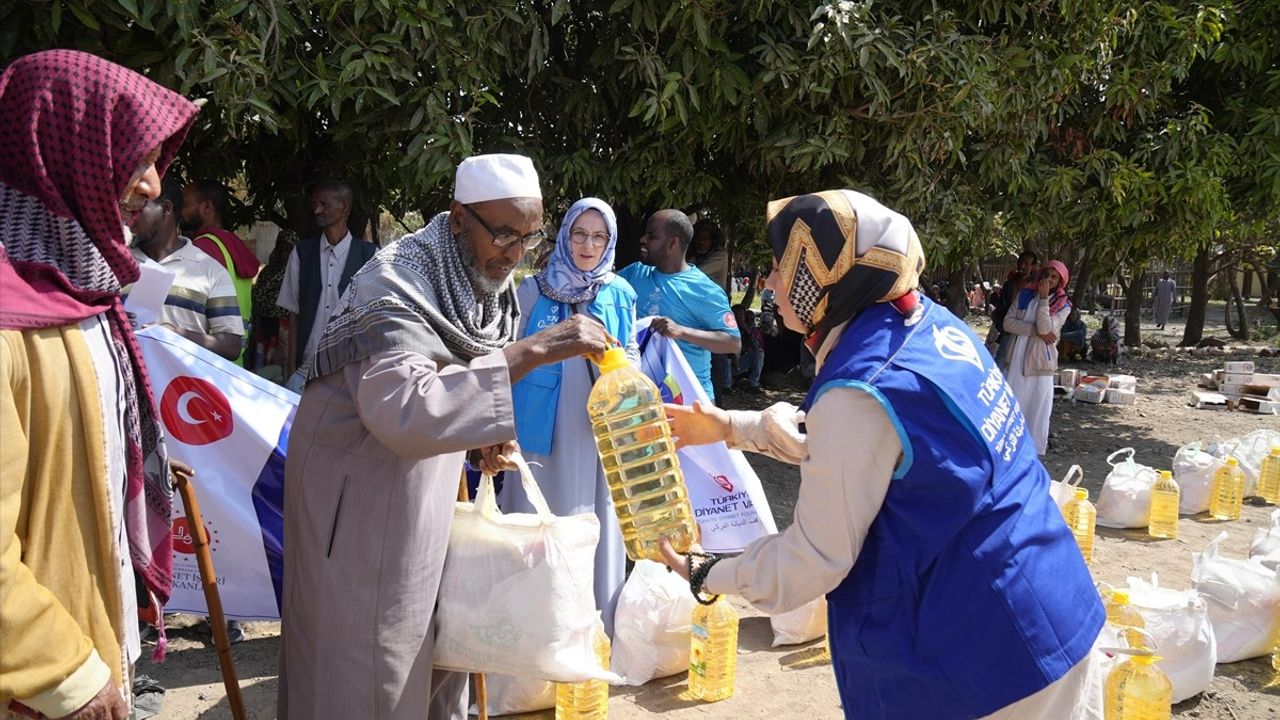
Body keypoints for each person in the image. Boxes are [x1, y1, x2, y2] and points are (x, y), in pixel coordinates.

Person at [658, 189, 1104, 720]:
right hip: (1054, 608)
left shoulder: (859, 386)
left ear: (827, 275)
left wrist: (709, 572)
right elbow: (867, 453)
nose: (772, 284)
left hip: (987, 661)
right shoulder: (930, 326)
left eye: (784, 268)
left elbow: (813, 560)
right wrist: (729, 427)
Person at [278, 154, 613, 720]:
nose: (513, 255)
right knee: (367, 661)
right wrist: (535, 349)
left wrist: (483, 438)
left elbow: (458, 382)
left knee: (435, 645)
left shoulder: (484, 287)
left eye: (527, 240)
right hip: (354, 494)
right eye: (503, 235)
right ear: (458, 218)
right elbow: (405, 408)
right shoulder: (396, 283)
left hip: (424, 486)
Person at [0, 49, 192, 720]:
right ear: (64, 152)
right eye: (131, 159)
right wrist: (63, 673)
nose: (149, 186)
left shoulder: (87, 298)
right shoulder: (6, 319)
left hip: (95, 638)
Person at [500, 197, 636, 634]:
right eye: (580, 233)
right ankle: (535, 631)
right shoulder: (532, 290)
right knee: (539, 515)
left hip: (596, 423)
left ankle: (592, 629)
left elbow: (631, 352)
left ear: (610, 242)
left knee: (593, 513)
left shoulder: (620, 293)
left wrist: (621, 367)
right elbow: (508, 357)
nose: (588, 245)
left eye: (599, 236)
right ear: (565, 235)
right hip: (540, 422)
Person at [618, 209, 741, 400]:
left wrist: (681, 331)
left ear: (672, 243)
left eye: (652, 236)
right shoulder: (633, 274)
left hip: (689, 401)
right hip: (641, 401)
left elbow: (733, 343)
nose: (642, 240)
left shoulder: (704, 290)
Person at [275, 180, 377, 392]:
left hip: (349, 371)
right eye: (315, 204)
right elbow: (293, 313)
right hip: (306, 370)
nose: (317, 210)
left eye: (325, 204)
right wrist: (291, 367)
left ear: (345, 207)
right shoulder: (302, 253)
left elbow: (375, 318)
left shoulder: (370, 256)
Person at [128, 177, 245, 361]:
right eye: (127, 211)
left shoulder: (210, 271)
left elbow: (232, 346)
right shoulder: (115, 266)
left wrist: (176, 335)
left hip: (180, 388)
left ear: (166, 208)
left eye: (137, 210)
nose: (130, 219)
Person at [182, 179, 259, 364]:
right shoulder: (231, 243)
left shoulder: (202, 249)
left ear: (207, 207)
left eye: (184, 204)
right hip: (234, 359)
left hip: (210, 360)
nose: (179, 210)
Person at [1002, 261, 1071, 456]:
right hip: (1017, 357)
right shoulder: (1024, 295)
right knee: (1015, 400)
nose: (1048, 280)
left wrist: (1043, 299)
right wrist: (1033, 331)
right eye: (1046, 274)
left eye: (1054, 277)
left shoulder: (1063, 305)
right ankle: (1008, 445)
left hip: (1040, 363)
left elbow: (1046, 329)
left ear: (1060, 282)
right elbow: (1008, 323)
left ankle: (1031, 451)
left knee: (1037, 405)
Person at [251, 230, 296, 375]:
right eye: (281, 247)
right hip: (264, 327)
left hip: (286, 327)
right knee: (263, 367)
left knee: (284, 366)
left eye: (289, 249)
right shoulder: (268, 271)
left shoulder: (296, 274)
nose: (284, 252)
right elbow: (256, 297)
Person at [989, 250, 1038, 368]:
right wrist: (1000, 324)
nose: (1022, 266)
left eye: (1026, 264)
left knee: (1020, 364)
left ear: (1033, 266)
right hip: (1007, 328)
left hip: (1026, 329)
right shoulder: (1009, 283)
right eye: (1020, 262)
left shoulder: (1035, 286)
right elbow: (1001, 306)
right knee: (1000, 361)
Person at [733, 305, 765, 393]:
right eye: (736, 314)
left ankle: (753, 384)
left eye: (740, 314)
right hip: (729, 361)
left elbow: (756, 346)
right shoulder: (728, 329)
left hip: (742, 361)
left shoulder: (751, 330)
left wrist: (746, 330)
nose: (738, 317)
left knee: (759, 353)